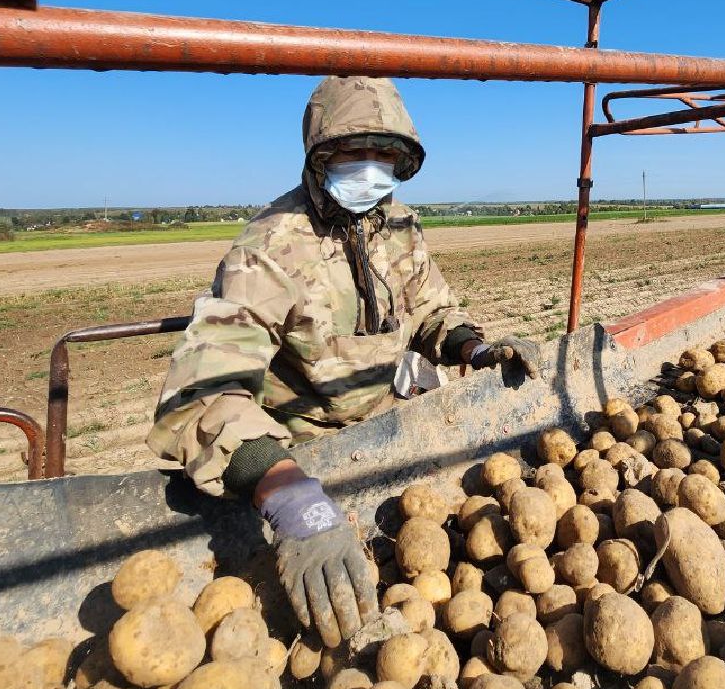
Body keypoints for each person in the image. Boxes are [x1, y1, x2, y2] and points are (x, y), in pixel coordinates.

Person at [148, 75, 540, 646]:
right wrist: (289, 497)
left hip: (384, 425)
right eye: (357, 153)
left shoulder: (397, 224)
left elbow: (430, 310)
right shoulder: (273, 245)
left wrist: (473, 347)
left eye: (386, 155)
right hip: (296, 450)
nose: (372, 169)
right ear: (322, 157)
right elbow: (206, 393)